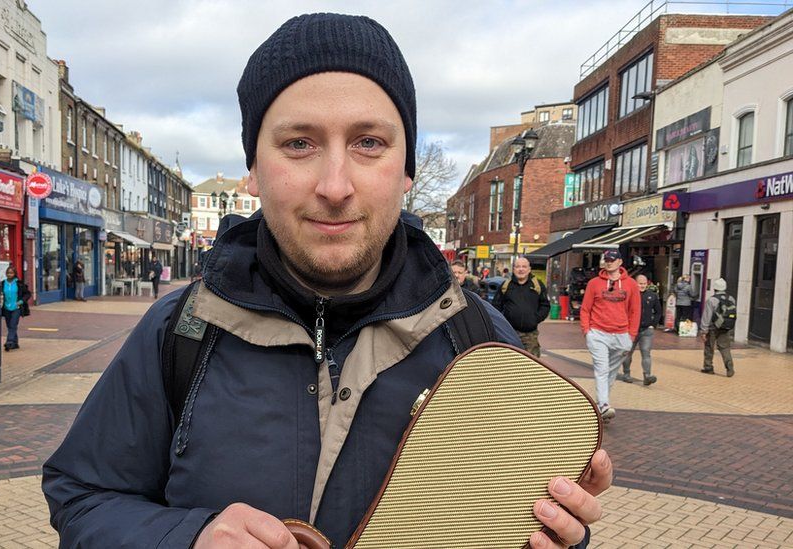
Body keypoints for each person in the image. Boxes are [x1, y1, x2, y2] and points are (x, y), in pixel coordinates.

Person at [43, 13, 610, 549]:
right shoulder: (181, 331)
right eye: (299, 144)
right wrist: (188, 538)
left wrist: (556, 534)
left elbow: (510, 518)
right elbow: (82, 497)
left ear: (407, 168)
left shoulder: (478, 341)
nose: (335, 185)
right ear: (253, 171)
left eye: (368, 143)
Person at [580, 249, 641, 422]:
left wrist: (631, 336)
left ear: (620, 262)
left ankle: (600, 406)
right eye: (606, 260)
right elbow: (585, 309)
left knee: (611, 372)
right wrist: (587, 331)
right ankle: (604, 404)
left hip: (622, 336)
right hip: (598, 333)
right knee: (602, 369)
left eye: (612, 260)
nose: (608, 262)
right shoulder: (594, 283)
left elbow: (635, 311)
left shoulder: (630, 285)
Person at [492, 256, 550, 357]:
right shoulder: (506, 286)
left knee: (531, 365)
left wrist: (535, 319)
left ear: (529, 269)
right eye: (518, 266)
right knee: (510, 363)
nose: (521, 269)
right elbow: (495, 307)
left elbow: (545, 305)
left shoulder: (537, 285)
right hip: (510, 333)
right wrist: (503, 323)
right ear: (513, 269)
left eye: (524, 266)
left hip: (530, 335)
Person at [618, 275, 661, 385]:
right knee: (627, 352)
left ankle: (647, 376)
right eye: (640, 283)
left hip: (646, 330)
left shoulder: (652, 296)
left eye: (644, 283)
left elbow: (658, 311)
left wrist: (653, 324)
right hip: (631, 329)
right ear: (635, 283)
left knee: (646, 352)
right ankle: (626, 374)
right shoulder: (629, 295)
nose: (642, 286)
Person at [699, 278, 736, 377]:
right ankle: (730, 368)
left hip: (712, 328)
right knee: (725, 348)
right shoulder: (731, 299)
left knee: (709, 347)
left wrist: (703, 331)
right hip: (725, 327)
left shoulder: (712, 300)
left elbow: (706, 316)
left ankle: (708, 367)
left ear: (715, 288)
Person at [1, 265, 31, 351]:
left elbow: (27, 294)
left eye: (11, 273)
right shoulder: (3, 283)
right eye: (8, 273)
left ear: (14, 274)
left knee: (13, 325)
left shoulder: (19, 283)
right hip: (6, 307)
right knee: (9, 325)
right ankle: (15, 343)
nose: (9, 274)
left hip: (16, 308)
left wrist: (21, 301)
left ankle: (9, 342)